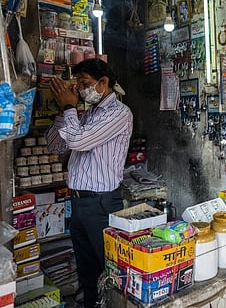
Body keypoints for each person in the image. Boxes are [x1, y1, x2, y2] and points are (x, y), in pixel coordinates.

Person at [45, 58, 133, 307]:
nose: (80, 89)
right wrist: (64, 111)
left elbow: (79, 142)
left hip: (101, 205)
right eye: (78, 84)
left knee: (110, 268)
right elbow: (55, 145)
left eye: (84, 83)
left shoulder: (119, 114)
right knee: (87, 271)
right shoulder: (87, 114)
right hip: (79, 203)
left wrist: (71, 108)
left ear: (103, 83)